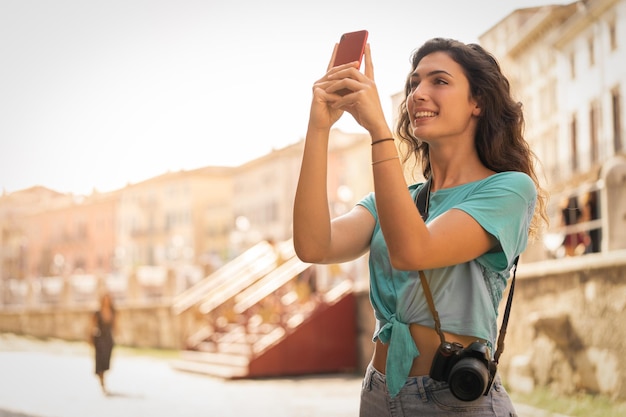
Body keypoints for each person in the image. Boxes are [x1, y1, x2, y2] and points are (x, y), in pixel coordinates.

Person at [293, 37, 547, 416]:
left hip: (451, 398)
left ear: (478, 102)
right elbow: (314, 246)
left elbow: (415, 251)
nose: (418, 94)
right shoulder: (395, 201)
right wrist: (319, 126)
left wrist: (379, 132)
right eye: (414, 83)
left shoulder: (508, 189)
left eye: (439, 81)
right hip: (378, 393)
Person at [90, 292, 116, 394]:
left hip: (108, 339)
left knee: (106, 361)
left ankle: (103, 377)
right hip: (99, 338)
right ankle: (102, 382)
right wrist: (90, 338)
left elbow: (115, 325)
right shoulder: (97, 312)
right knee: (100, 361)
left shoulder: (113, 312)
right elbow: (92, 326)